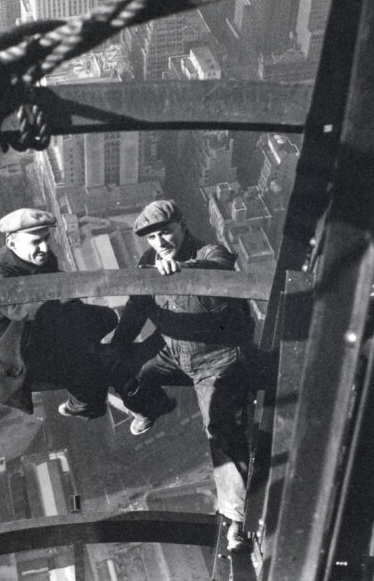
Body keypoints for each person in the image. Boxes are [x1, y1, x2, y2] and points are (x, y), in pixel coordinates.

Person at [111, 199, 255, 552]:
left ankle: (236, 519)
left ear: (182, 226)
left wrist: (184, 269)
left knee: (220, 430)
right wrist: (116, 349)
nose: (161, 243)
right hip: (170, 349)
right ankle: (151, 406)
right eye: (153, 238)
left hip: (217, 357)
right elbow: (135, 310)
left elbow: (218, 267)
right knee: (119, 370)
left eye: (166, 233)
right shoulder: (149, 264)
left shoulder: (210, 252)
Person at [0, 207, 119, 418]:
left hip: (46, 323)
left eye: (46, 239)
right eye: (36, 242)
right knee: (82, 357)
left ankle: (87, 389)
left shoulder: (39, 257)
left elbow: (55, 282)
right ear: (12, 243)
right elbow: (23, 310)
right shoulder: (0, 277)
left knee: (107, 318)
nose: (44, 248)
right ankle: (82, 402)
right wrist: (66, 297)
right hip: (21, 345)